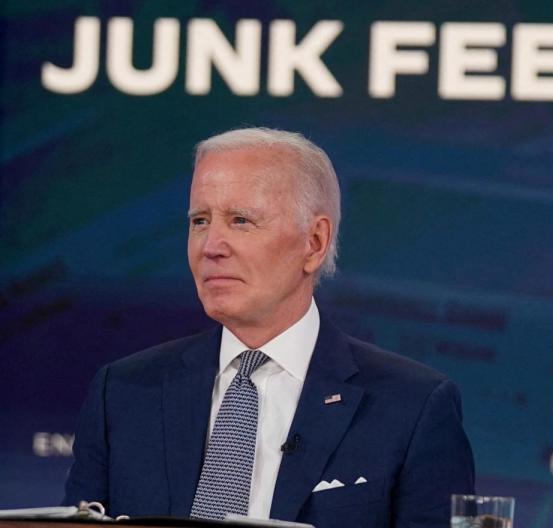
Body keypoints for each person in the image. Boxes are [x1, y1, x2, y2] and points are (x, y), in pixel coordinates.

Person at [64, 127, 475, 527]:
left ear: (313, 243)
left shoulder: (412, 405)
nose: (211, 247)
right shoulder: (122, 391)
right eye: (200, 221)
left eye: (240, 220)